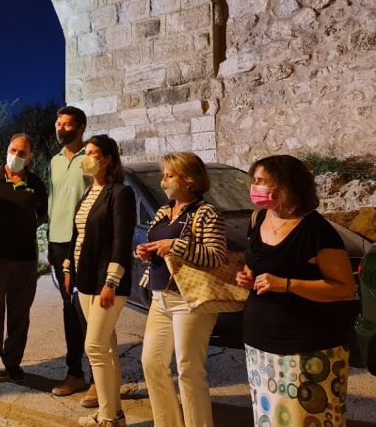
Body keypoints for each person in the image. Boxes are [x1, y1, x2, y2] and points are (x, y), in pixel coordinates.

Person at [236, 155, 356, 427]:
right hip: (260, 343)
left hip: (308, 348)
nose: (254, 186)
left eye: (261, 181)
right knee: (271, 419)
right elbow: (254, 264)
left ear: (285, 185)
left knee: (307, 419)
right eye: (253, 180)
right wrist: (247, 276)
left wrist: (286, 284)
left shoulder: (316, 230)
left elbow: (344, 287)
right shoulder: (257, 218)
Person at [136, 152, 227, 427]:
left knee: (188, 370)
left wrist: (174, 246)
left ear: (190, 180)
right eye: (164, 174)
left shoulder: (206, 212)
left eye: (169, 175)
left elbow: (216, 256)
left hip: (190, 301)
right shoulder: (165, 210)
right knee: (151, 364)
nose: (163, 180)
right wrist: (146, 252)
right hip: (160, 297)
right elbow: (157, 242)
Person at [65, 135, 134, 427]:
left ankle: (107, 417)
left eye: (93, 153)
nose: (87, 157)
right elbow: (78, 235)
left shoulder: (120, 193)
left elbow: (121, 239)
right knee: (105, 346)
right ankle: (113, 413)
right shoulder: (88, 193)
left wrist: (112, 281)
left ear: (107, 159)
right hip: (86, 277)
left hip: (107, 281)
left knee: (93, 346)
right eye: (86, 152)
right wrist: (69, 267)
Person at [0, 133, 47, 384]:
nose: (16, 155)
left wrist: (23, 229)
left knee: (20, 314)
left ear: (30, 158)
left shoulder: (36, 184)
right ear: (7, 149)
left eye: (22, 153)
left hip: (25, 260)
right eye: (13, 150)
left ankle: (13, 362)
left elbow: (42, 215)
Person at [48, 105, 93, 401]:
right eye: (58, 123)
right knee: (68, 308)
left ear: (79, 128)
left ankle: (100, 376)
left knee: (86, 310)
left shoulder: (90, 160)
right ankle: (74, 372)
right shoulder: (53, 161)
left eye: (66, 125)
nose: (60, 128)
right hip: (56, 242)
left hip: (81, 243)